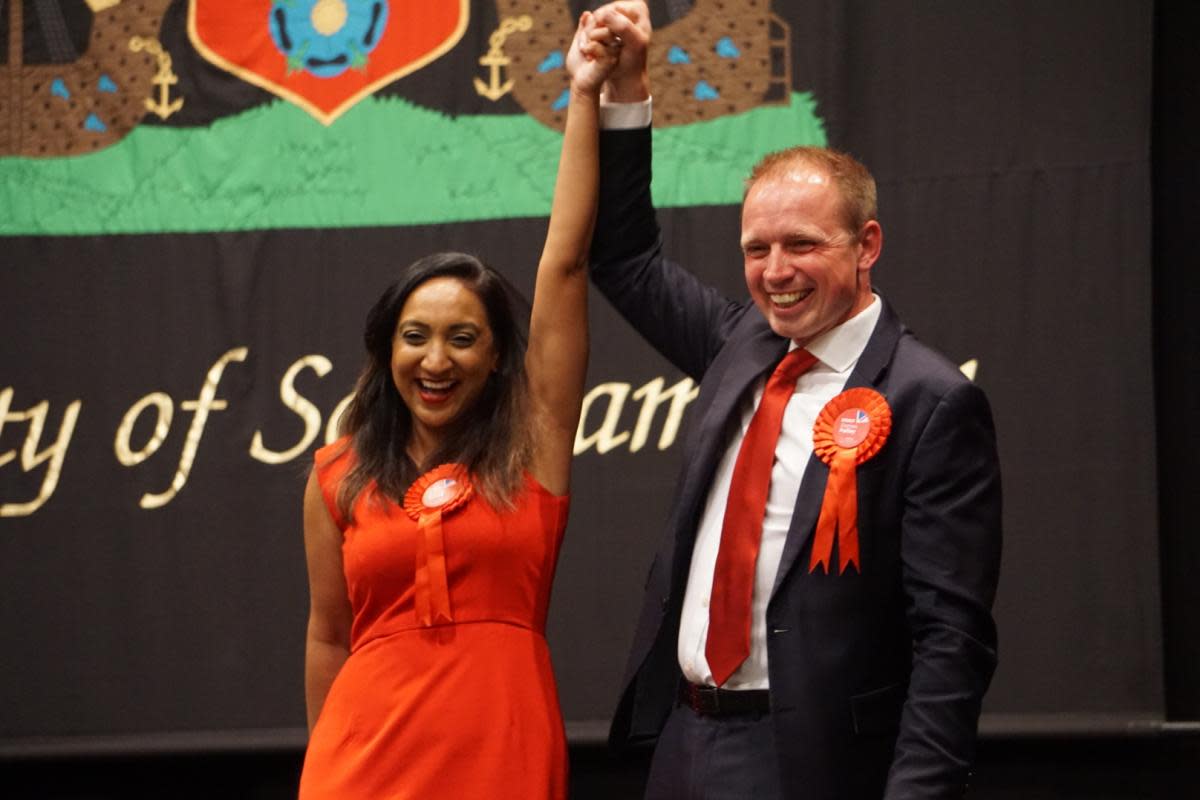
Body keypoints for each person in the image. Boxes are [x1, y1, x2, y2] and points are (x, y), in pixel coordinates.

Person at [581, 4, 1002, 798]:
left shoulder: (932, 401)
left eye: (803, 244)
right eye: (757, 249)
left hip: (813, 763)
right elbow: (624, 257)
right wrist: (630, 89)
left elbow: (952, 640)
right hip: (682, 743)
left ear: (866, 245)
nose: (776, 271)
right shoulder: (737, 342)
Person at [296, 15, 622, 799]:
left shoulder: (532, 446)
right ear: (386, 351)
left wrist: (583, 93)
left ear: (497, 355)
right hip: (361, 767)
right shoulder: (337, 474)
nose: (436, 360)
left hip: (500, 759)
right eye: (415, 336)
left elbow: (568, 263)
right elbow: (328, 637)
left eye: (463, 338)